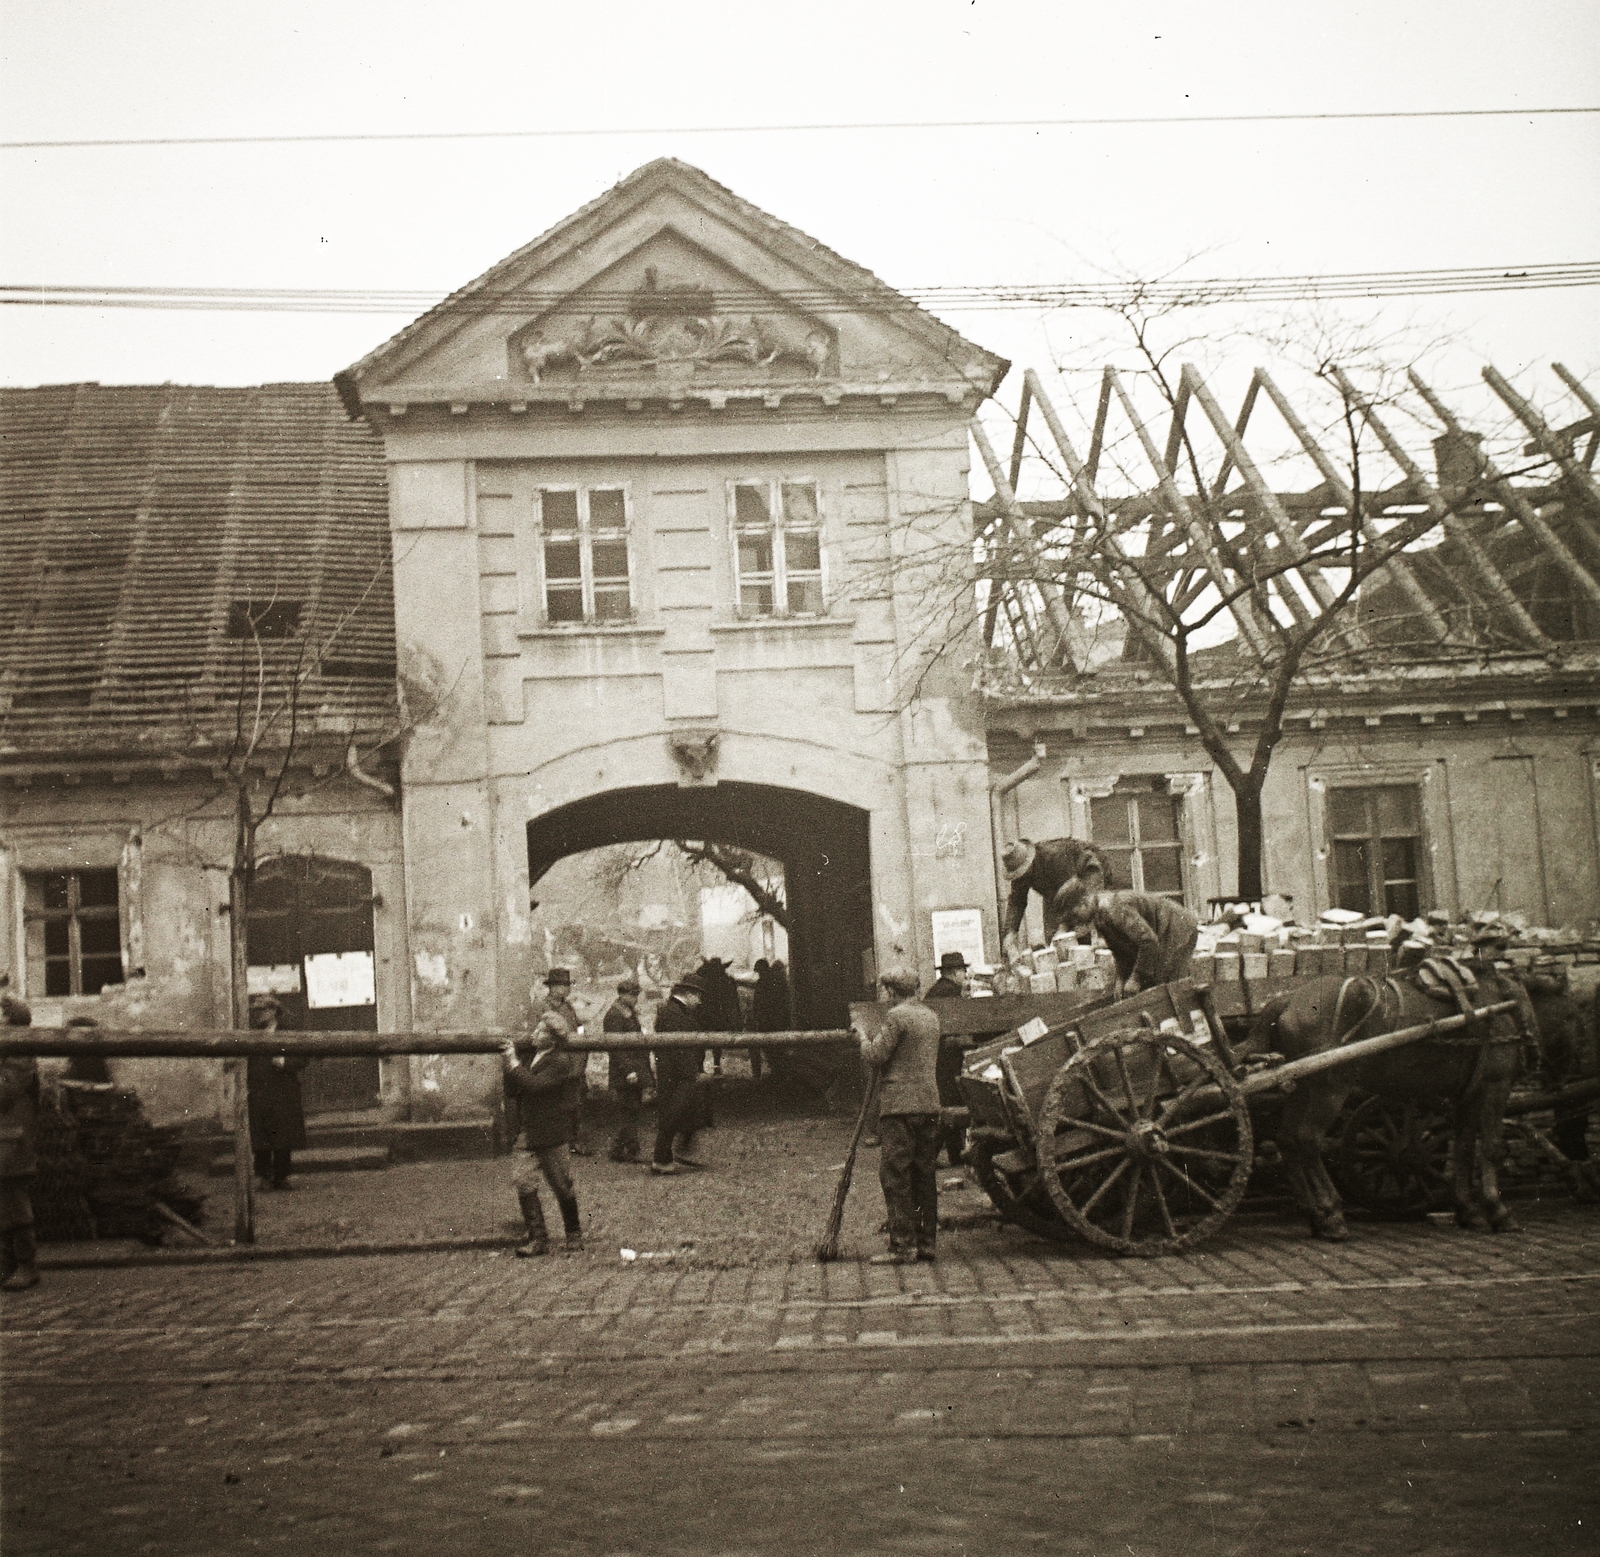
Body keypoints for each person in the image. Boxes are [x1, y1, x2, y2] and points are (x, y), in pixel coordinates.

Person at [856, 967, 943, 1264]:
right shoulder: (931, 1017)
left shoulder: (896, 1016)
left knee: (895, 1175)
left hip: (900, 1108)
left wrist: (862, 1038)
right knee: (924, 1173)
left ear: (891, 991)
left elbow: (875, 1056)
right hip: (929, 1104)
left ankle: (903, 1246)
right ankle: (927, 1243)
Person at [501, 1009, 585, 1255]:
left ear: (553, 1038)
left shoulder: (560, 1061)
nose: (534, 1034)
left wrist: (514, 1063)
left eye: (540, 1031)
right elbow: (515, 1089)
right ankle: (538, 1239)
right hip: (528, 1130)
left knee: (562, 1186)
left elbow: (535, 1086)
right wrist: (511, 1065)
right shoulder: (530, 1057)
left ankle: (574, 1235)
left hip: (551, 1132)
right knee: (523, 1181)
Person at [1056, 883, 1200, 993]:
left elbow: (1148, 943)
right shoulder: (1099, 916)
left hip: (1177, 928)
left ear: (1084, 902)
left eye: (1074, 915)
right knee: (1151, 983)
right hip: (1162, 932)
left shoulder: (1113, 908)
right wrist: (1121, 980)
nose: (1075, 922)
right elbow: (1120, 951)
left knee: (1166, 986)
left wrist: (1136, 978)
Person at [999, 838, 1107, 959]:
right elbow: (1016, 902)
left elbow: (1072, 894)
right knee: (1052, 937)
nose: (1023, 876)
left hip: (1086, 871)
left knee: (1077, 927)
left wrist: (1063, 927)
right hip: (1057, 889)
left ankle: (1088, 963)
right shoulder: (1018, 869)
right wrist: (1009, 934)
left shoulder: (1055, 856)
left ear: (1029, 862)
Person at [651, 973, 712, 1175]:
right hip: (677, 1075)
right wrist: (693, 1073)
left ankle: (666, 1157)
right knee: (672, 1116)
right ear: (688, 994)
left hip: (677, 1073)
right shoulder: (674, 1015)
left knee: (677, 1114)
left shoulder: (674, 1011)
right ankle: (660, 1160)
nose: (700, 1001)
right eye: (698, 996)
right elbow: (681, 1050)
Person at [246, 993, 309, 1191]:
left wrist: (285, 1063)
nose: (258, 1015)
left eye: (262, 1010)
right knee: (261, 1134)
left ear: (273, 1011)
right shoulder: (253, 1033)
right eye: (256, 1011)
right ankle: (264, 1176)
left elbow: (302, 1058)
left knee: (283, 1133)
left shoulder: (288, 1032)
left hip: (283, 1090)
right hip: (260, 1089)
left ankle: (281, 1176)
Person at [0, 994, 40, 1292]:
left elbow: (5, 1090)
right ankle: (8, 1264)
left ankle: (27, 1265)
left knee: (15, 1202)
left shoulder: (20, 1052)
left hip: (13, 1140)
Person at [924, 951, 970, 1168]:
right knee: (951, 1103)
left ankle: (955, 1154)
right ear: (953, 972)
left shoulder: (935, 991)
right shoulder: (951, 992)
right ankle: (929, 1156)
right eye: (963, 971)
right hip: (947, 1057)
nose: (965, 975)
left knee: (949, 1101)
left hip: (938, 1055)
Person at [537, 968, 589, 1154]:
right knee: (556, 1104)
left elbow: (578, 1027)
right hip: (555, 1061)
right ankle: (557, 1144)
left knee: (575, 1103)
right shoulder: (544, 1007)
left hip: (573, 1062)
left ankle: (573, 1141)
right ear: (552, 987)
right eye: (562, 985)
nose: (566, 989)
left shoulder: (568, 1007)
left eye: (567, 985)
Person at [602, 977, 650, 1163]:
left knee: (632, 1108)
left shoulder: (627, 1012)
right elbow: (616, 1048)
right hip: (625, 1071)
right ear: (622, 995)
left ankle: (623, 1148)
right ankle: (627, 1148)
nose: (636, 999)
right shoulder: (614, 1016)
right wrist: (628, 1070)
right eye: (632, 995)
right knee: (628, 1109)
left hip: (633, 1069)